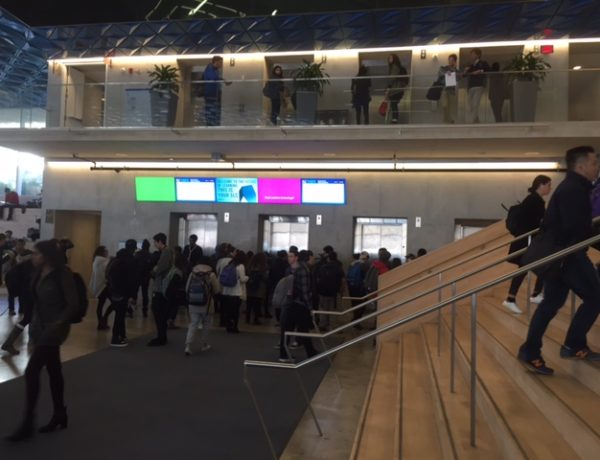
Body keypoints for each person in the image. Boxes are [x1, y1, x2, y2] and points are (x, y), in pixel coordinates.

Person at [518, 146, 600, 376]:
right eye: (594, 163)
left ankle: (531, 351)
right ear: (581, 166)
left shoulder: (574, 187)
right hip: (567, 255)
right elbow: (575, 228)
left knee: (551, 303)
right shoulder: (574, 190)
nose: (597, 167)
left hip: (561, 255)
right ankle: (572, 344)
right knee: (595, 297)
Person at [7, 240, 79, 441]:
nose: (33, 256)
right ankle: (60, 414)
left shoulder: (62, 274)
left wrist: (58, 323)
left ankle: (28, 423)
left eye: (37, 253)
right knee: (54, 370)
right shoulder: (38, 271)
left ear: (47, 255)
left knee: (32, 371)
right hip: (39, 327)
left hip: (54, 330)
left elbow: (73, 304)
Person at [503, 175, 552, 314]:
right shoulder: (534, 201)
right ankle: (517, 298)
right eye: (548, 185)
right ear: (540, 185)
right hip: (528, 241)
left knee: (537, 265)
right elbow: (538, 222)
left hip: (528, 241)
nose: (550, 188)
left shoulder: (533, 199)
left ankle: (522, 296)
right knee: (541, 265)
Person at [279, 249, 318, 362]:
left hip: (293, 303)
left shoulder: (292, 270)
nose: (289, 258)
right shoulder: (301, 270)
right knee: (299, 328)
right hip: (297, 304)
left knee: (295, 328)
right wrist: (309, 307)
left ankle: (286, 353)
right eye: (288, 256)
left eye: (291, 256)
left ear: (297, 257)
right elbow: (305, 291)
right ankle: (309, 351)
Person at [184, 263, 220, 356]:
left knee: (193, 323)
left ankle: (188, 346)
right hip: (206, 305)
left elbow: (187, 289)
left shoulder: (192, 274)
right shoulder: (211, 275)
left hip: (193, 303)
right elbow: (217, 290)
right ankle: (204, 344)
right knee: (207, 324)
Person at [2, 256, 35, 355]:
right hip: (31, 297)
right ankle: (33, 344)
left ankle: (9, 343)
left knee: (27, 319)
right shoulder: (35, 266)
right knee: (30, 319)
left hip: (26, 296)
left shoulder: (28, 264)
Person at [147, 233, 174, 346]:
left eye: (155, 242)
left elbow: (159, 269)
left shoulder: (166, 252)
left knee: (158, 312)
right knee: (159, 313)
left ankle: (161, 337)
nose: (154, 244)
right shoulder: (167, 251)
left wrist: (153, 272)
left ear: (160, 242)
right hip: (162, 286)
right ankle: (161, 336)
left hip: (161, 287)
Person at [220, 250, 248, 333]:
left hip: (226, 291)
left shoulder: (230, 264)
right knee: (235, 311)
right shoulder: (241, 266)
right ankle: (234, 327)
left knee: (228, 310)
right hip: (236, 292)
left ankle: (228, 326)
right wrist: (247, 277)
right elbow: (242, 279)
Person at [203, 56, 231, 126]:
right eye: (220, 62)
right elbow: (212, 78)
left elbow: (215, 78)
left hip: (215, 95)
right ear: (216, 62)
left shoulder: (215, 70)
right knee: (211, 114)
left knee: (215, 114)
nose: (221, 64)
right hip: (210, 95)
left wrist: (222, 80)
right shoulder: (209, 68)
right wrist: (222, 79)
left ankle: (214, 126)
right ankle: (210, 127)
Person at [463, 48, 489, 123]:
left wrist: (480, 71)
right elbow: (464, 75)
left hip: (479, 85)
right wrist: (465, 71)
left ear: (478, 55)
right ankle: (476, 119)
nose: (471, 55)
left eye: (473, 54)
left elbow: (489, 69)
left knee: (475, 103)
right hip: (471, 86)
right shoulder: (471, 65)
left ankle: (473, 120)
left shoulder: (483, 63)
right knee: (470, 104)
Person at [89, 245, 111, 330]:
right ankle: (103, 320)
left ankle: (101, 322)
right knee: (115, 303)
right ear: (102, 252)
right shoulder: (104, 262)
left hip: (99, 286)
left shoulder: (96, 261)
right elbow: (107, 273)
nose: (107, 253)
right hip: (104, 285)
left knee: (100, 305)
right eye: (106, 251)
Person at [246, 252, 268, 325]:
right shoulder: (263, 267)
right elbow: (265, 277)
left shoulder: (250, 265)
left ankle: (247, 318)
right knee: (257, 304)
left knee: (249, 304)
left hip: (250, 288)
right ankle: (256, 319)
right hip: (259, 288)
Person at [386, 54, 409, 124]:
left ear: (394, 59)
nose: (389, 59)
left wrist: (388, 87)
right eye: (389, 58)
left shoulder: (395, 67)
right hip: (399, 89)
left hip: (395, 89)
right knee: (394, 104)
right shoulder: (399, 67)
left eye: (391, 58)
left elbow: (391, 78)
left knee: (393, 104)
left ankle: (394, 119)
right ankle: (394, 118)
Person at [133, 239, 154, 317]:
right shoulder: (150, 255)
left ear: (142, 246)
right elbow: (151, 266)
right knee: (145, 293)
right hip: (146, 277)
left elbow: (134, 264)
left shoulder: (137, 254)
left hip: (137, 276)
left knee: (134, 293)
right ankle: (145, 310)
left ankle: (131, 309)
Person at [439, 54, 459, 123]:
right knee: (444, 105)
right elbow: (440, 72)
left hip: (451, 90)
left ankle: (446, 119)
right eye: (449, 60)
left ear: (455, 61)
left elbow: (459, 78)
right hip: (444, 89)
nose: (450, 61)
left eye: (452, 60)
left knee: (450, 106)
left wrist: (454, 70)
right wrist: (446, 73)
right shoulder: (444, 68)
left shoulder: (456, 70)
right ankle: (449, 119)